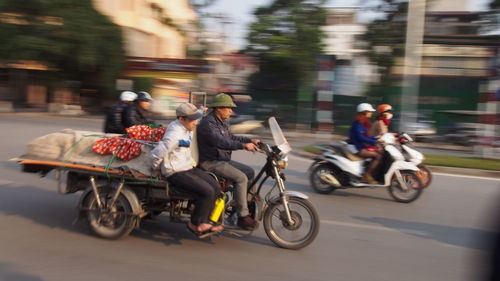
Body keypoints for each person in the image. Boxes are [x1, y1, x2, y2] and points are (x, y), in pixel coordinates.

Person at [150, 103, 223, 236]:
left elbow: (197, 117)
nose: (195, 123)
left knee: (216, 187)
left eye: (196, 119)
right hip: (175, 171)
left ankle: (206, 220)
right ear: (181, 119)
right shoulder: (174, 133)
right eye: (192, 120)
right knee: (207, 191)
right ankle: (196, 223)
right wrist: (155, 168)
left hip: (187, 166)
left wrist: (201, 110)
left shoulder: (187, 122)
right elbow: (158, 153)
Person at [197, 93, 260, 230]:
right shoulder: (207, 123)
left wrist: (250, 140)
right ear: (219, 108)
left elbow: (231, 137)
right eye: (229, 108)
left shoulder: (223, 122)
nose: (231, 111)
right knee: (241, 178)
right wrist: (243, 146)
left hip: (221, 160)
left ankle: (245, 205)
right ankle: (243, 217)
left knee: (249, 172)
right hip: (210, 162)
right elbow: (220, 142)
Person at [349, 103, 383, 184]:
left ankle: (371, 173)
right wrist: (374, 141)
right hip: (359, 148)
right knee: (377, 156)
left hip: (362, 146)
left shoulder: (361, 123)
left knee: (379, 152)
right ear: (364, 112)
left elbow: (366, 136)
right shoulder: (358, 125)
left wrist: (376, 138)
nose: (371, 113)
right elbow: (361, 138)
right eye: (369, 111)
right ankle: (366, 175)